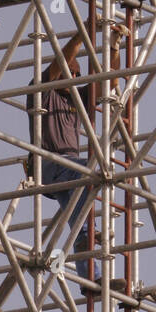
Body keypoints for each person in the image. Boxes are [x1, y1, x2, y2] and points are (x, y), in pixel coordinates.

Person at [26, 25, 127, 290]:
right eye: (71, 73)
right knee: (92, 170)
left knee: (79, 222)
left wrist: (115, 48)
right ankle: (87, 244)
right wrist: (84, 32)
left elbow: (111, 82)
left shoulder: (77, 99)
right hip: (48, 162)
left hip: (68, 168)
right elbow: (61, 62)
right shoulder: (42, 90)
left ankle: (90, 279)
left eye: (78, 75)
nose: (75, 79)